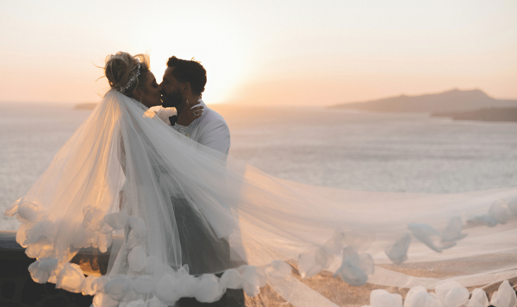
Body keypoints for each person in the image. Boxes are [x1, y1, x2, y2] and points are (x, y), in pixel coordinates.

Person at [4, 52, 517, 307]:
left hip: (205, 237)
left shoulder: (213, 126)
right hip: (156, 237)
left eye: (171, 83)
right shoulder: (151, 124)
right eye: (157, 82)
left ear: (189, 88)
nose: (163, 87)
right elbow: (136, 178)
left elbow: (207, 183)